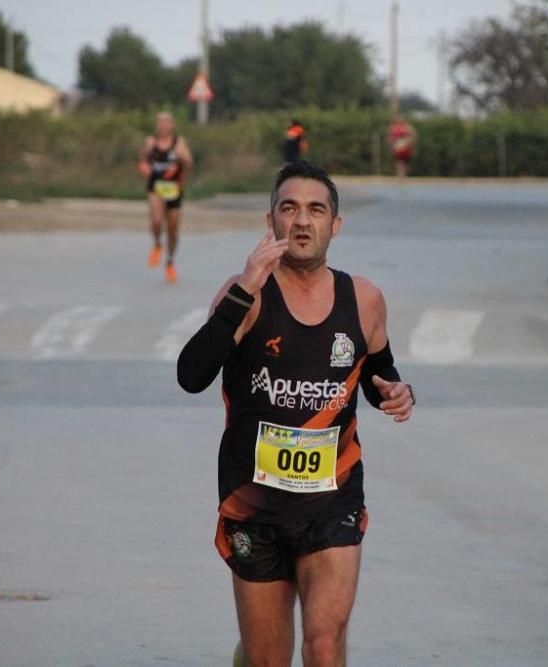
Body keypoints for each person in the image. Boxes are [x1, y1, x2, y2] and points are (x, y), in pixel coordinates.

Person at [177, 160, 415, 666]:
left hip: (332, 500)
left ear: (335, 225)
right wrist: (244, 288)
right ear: (272, 223)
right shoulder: (247, 296)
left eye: (316, 210)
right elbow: (191, 375)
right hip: (253, 505)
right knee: (269, 659)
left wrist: (396, 393)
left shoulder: (365, 299)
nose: (302, 221)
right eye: (289, 209)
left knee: (324, 643)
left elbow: (378, 374)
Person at [137, 112, 194, 283]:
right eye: (160, 122)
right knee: (156, 220)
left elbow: (189, 164)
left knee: (173, 229)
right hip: (156, 187)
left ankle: (170, 261)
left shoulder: (179, 143)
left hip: (174, 189)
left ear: (172, 125)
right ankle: (157, 244)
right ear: (156, 125)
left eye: (166, 122)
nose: (163, 125)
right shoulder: (150, 142)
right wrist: (144, 167)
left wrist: (181, 158)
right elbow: (142, 161)